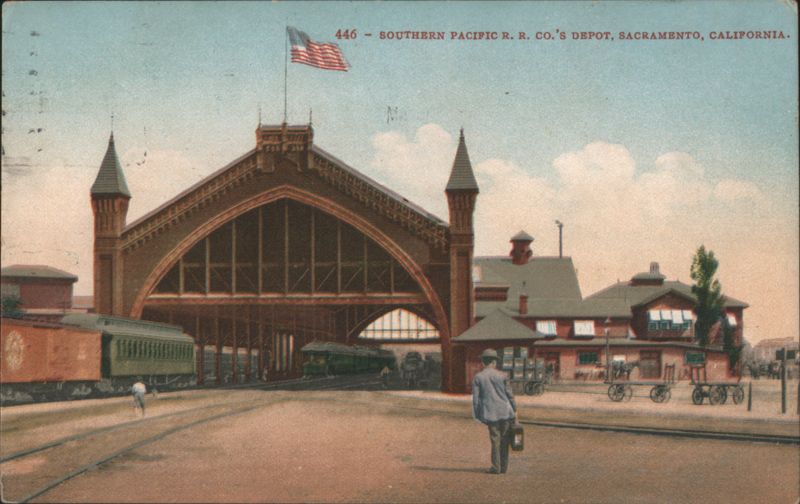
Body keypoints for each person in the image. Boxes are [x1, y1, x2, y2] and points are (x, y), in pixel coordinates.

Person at [472, 349, 516, 475]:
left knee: (495, 439)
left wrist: (477, 415)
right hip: (506, 412)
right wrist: (515, 409)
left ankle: (495, 467)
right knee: (505, 439)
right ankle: (504, 467)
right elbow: (510, 395)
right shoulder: (503, 375)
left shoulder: (478, 377)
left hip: (491, 413)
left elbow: (476, 399)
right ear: (494, 362)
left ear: (483, 362)